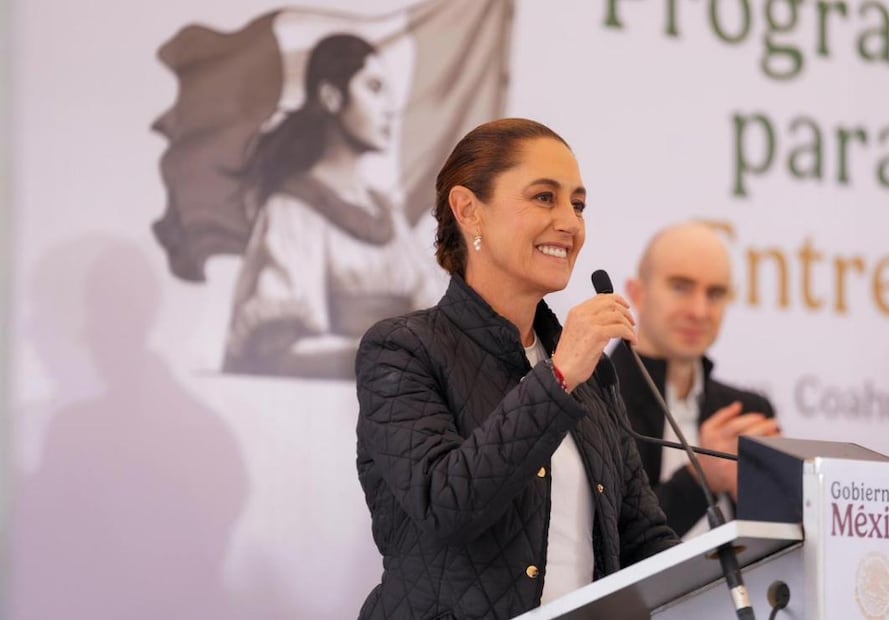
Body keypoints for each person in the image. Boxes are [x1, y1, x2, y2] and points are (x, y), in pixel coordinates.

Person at [355, 118, 679, 619]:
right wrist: (560, 375)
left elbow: (641, 537)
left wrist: (739, 568)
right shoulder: (402, 350)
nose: (570, 223)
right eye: (544, 198)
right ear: (469, 211)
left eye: (578, 204)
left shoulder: (586, 373)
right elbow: (447, 506)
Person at [222, 33, 440, 380]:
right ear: (331, 97)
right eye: (374, 88)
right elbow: (278, 348)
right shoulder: (292, 211)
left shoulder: (387, 216)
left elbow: (431, 314)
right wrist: (392, 358)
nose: (389, 108)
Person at [612, 221, 780, 539]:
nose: (700, 310)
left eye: (715, 293)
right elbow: (610, 543)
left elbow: (783, 546)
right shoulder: (593, 397)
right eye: (681, 287)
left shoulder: (749, 412)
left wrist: (765, 496)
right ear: (637, 293)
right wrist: (700, 476)